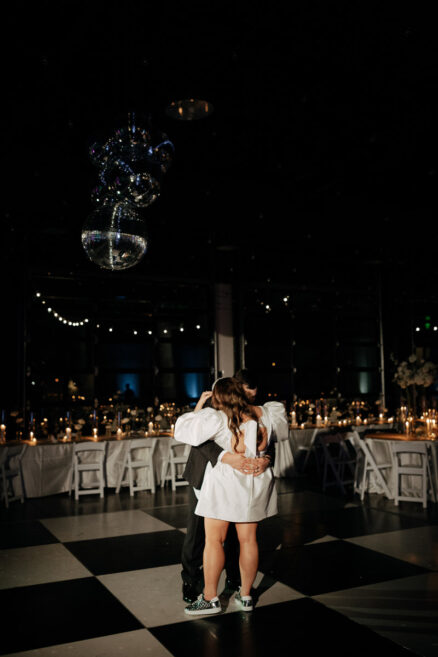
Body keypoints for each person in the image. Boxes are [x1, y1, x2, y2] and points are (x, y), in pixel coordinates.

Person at [175, 377, 288, 615]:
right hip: (253, 482)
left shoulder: (217, 417)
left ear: (217, 397)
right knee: (249, 540)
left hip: (225, 483)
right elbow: (273, 443)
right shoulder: (264, 413)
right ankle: (246, 595)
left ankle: (209, 598)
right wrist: (265, 459)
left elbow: (185, 430)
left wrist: (200, 406)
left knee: (214, 540)